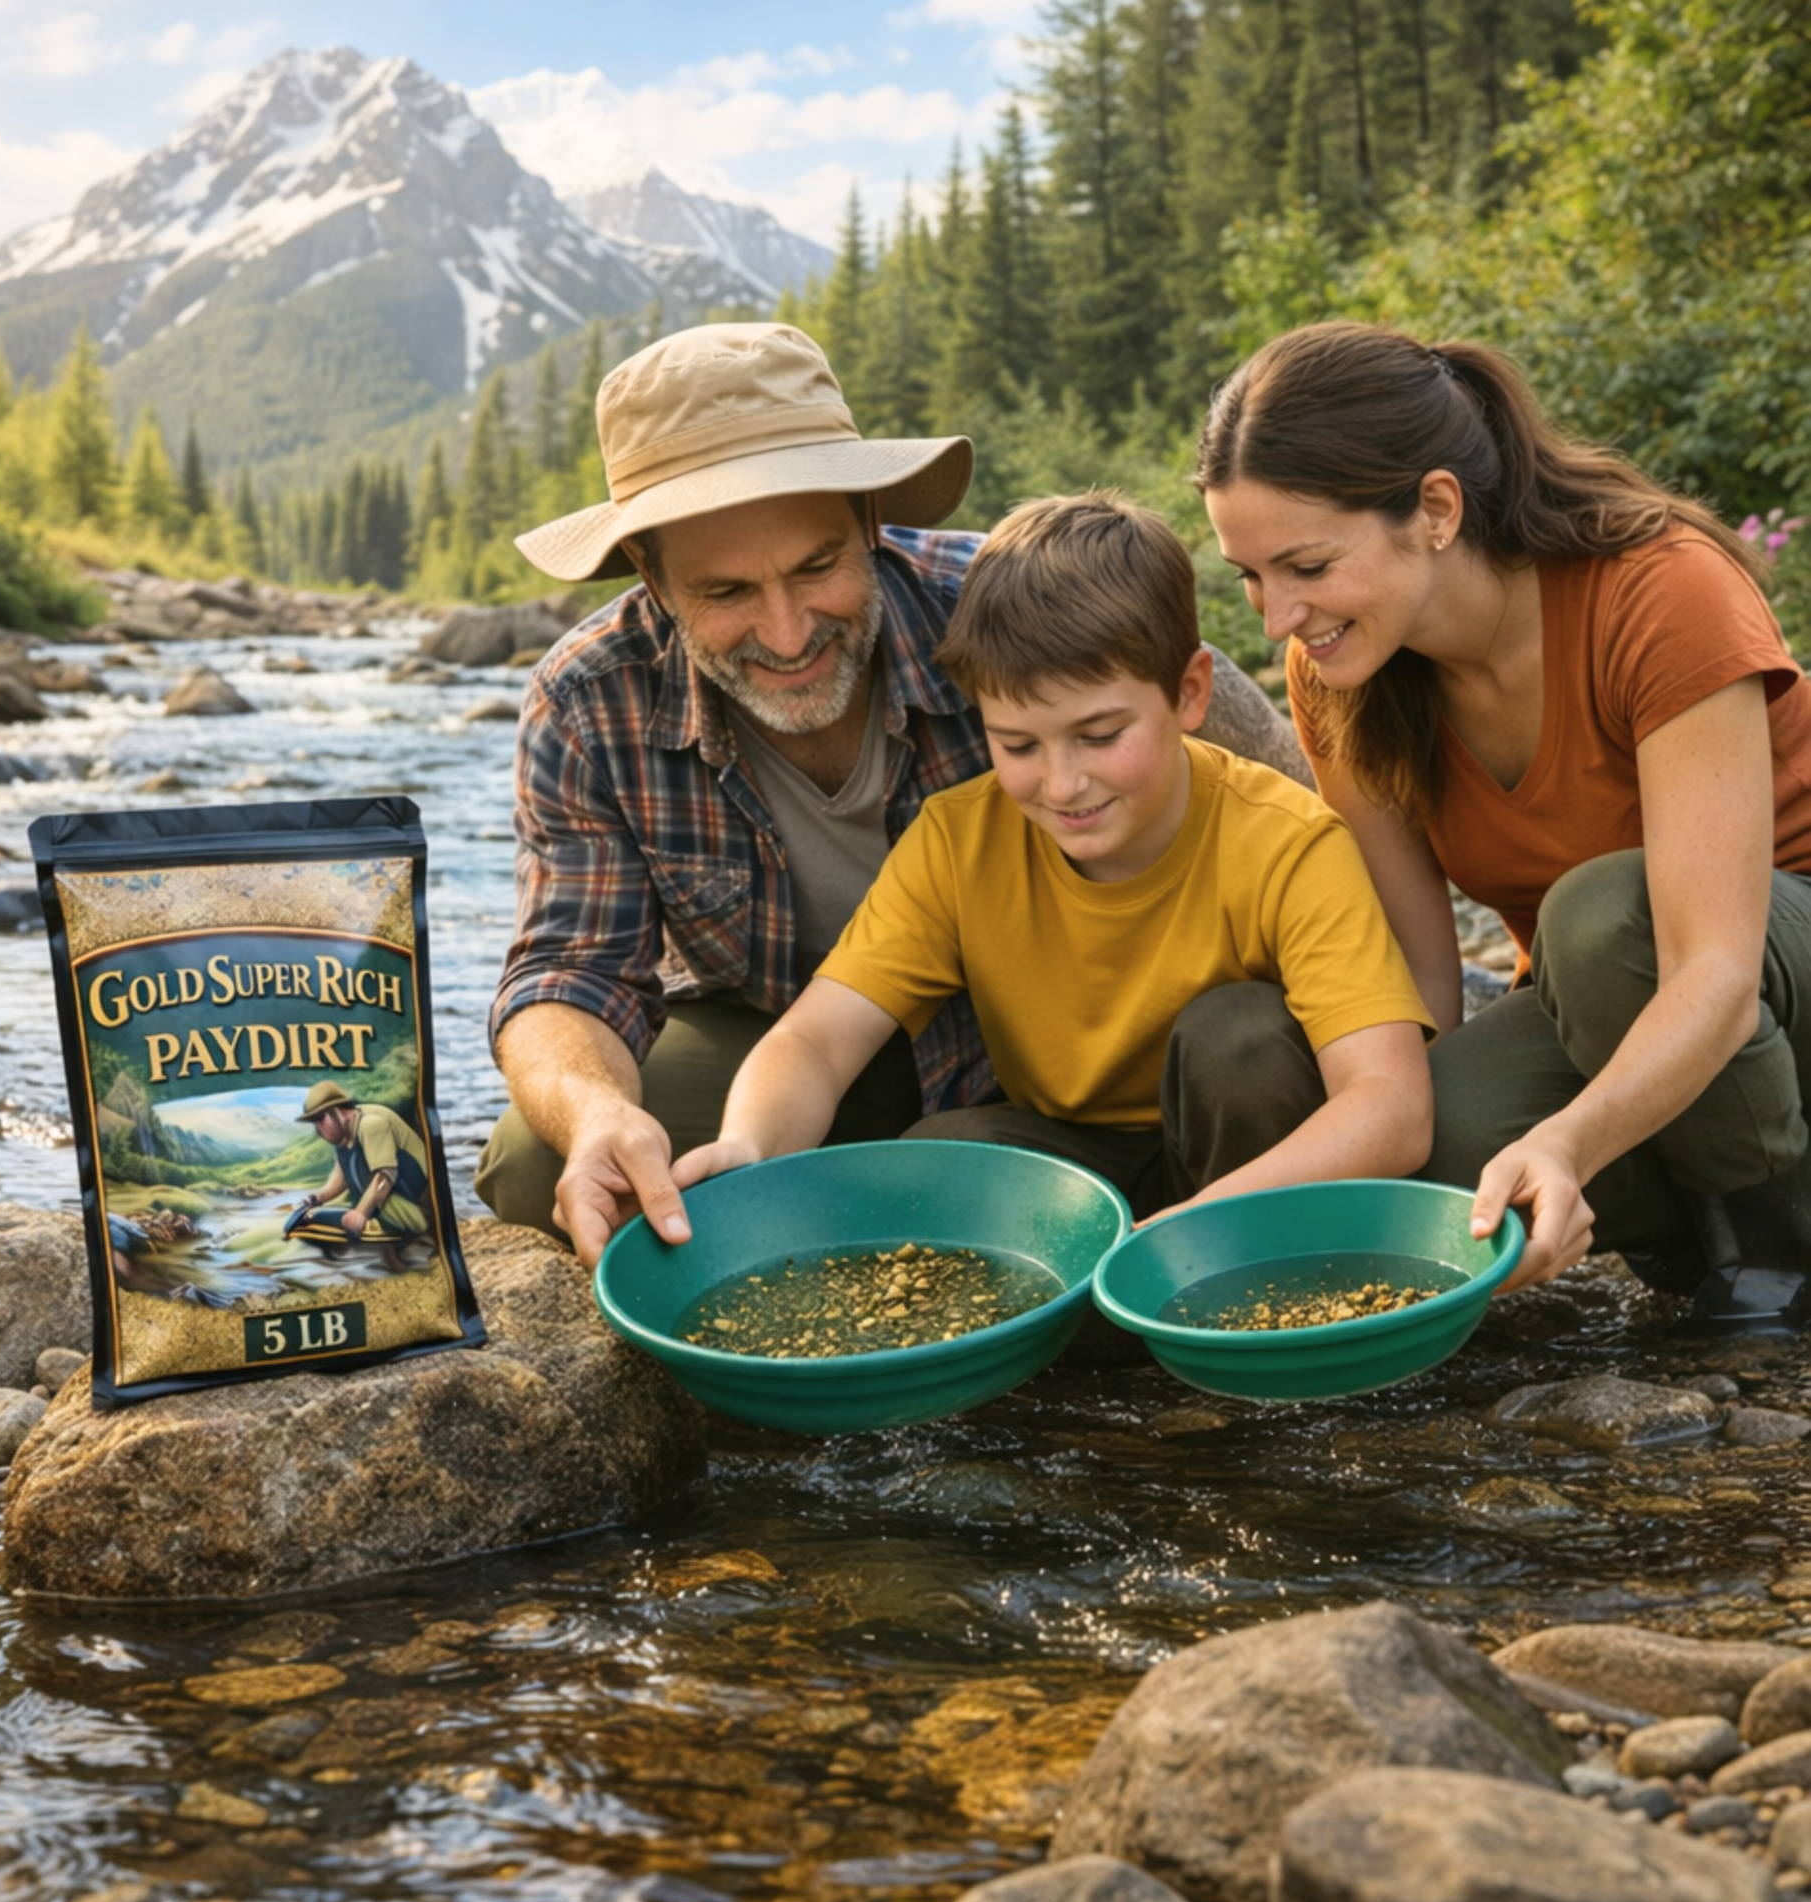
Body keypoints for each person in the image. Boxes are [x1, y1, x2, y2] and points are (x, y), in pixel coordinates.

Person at [479, 321, 1311, 1265]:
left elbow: (1282, 808)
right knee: (535, 1158)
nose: (787, 634)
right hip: (798, 1043)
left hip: (1074, 1049)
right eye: (727, 594)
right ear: (652, 576)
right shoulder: (590, 696)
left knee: (1250, 1039)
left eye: (816, 567)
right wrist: (594, 1115)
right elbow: (569, 971)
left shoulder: (1014, 617)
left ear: (870, 521)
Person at [1196, 318, 1811, 1298]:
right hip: (1601, 1002)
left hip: (1759, 968)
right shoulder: (1337, 675)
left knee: (1598, 914)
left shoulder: (1659, 591)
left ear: (1434, 507)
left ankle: (1774, 1248)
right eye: (1250, 576)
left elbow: (1714, 968)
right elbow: (1418, 993)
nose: (1277, 617)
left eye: (1306, 568)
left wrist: (1566, 1137)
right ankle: (1683, 1225)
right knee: (1444, 1168)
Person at [668, 491, 1436, 1225]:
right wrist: (748, 1148)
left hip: (1255, 1170)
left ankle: (1242, 1298)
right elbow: (817, 1038)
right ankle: (1102, 1318)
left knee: (1239, 1037)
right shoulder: (955, 841)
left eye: (1101, 736)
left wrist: (1195, 1222)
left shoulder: (1289, 842)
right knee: (937, 1155)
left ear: (1190, 693)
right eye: (1018, 744)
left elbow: (1391, 1106)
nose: (1064, 785)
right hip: (1070, 1168)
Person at [287, 1080, 431, 1273]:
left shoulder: (371, 1124)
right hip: (387, 1198)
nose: (318, 1130)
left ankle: (393, 1234)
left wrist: (360, 1212)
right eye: (315, 1122)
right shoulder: (345, 1136)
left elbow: (384, 1176)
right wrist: (316, 1198)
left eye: (321, 1119)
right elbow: (341, 1177)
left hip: (413, 1197)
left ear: (343, 1112)